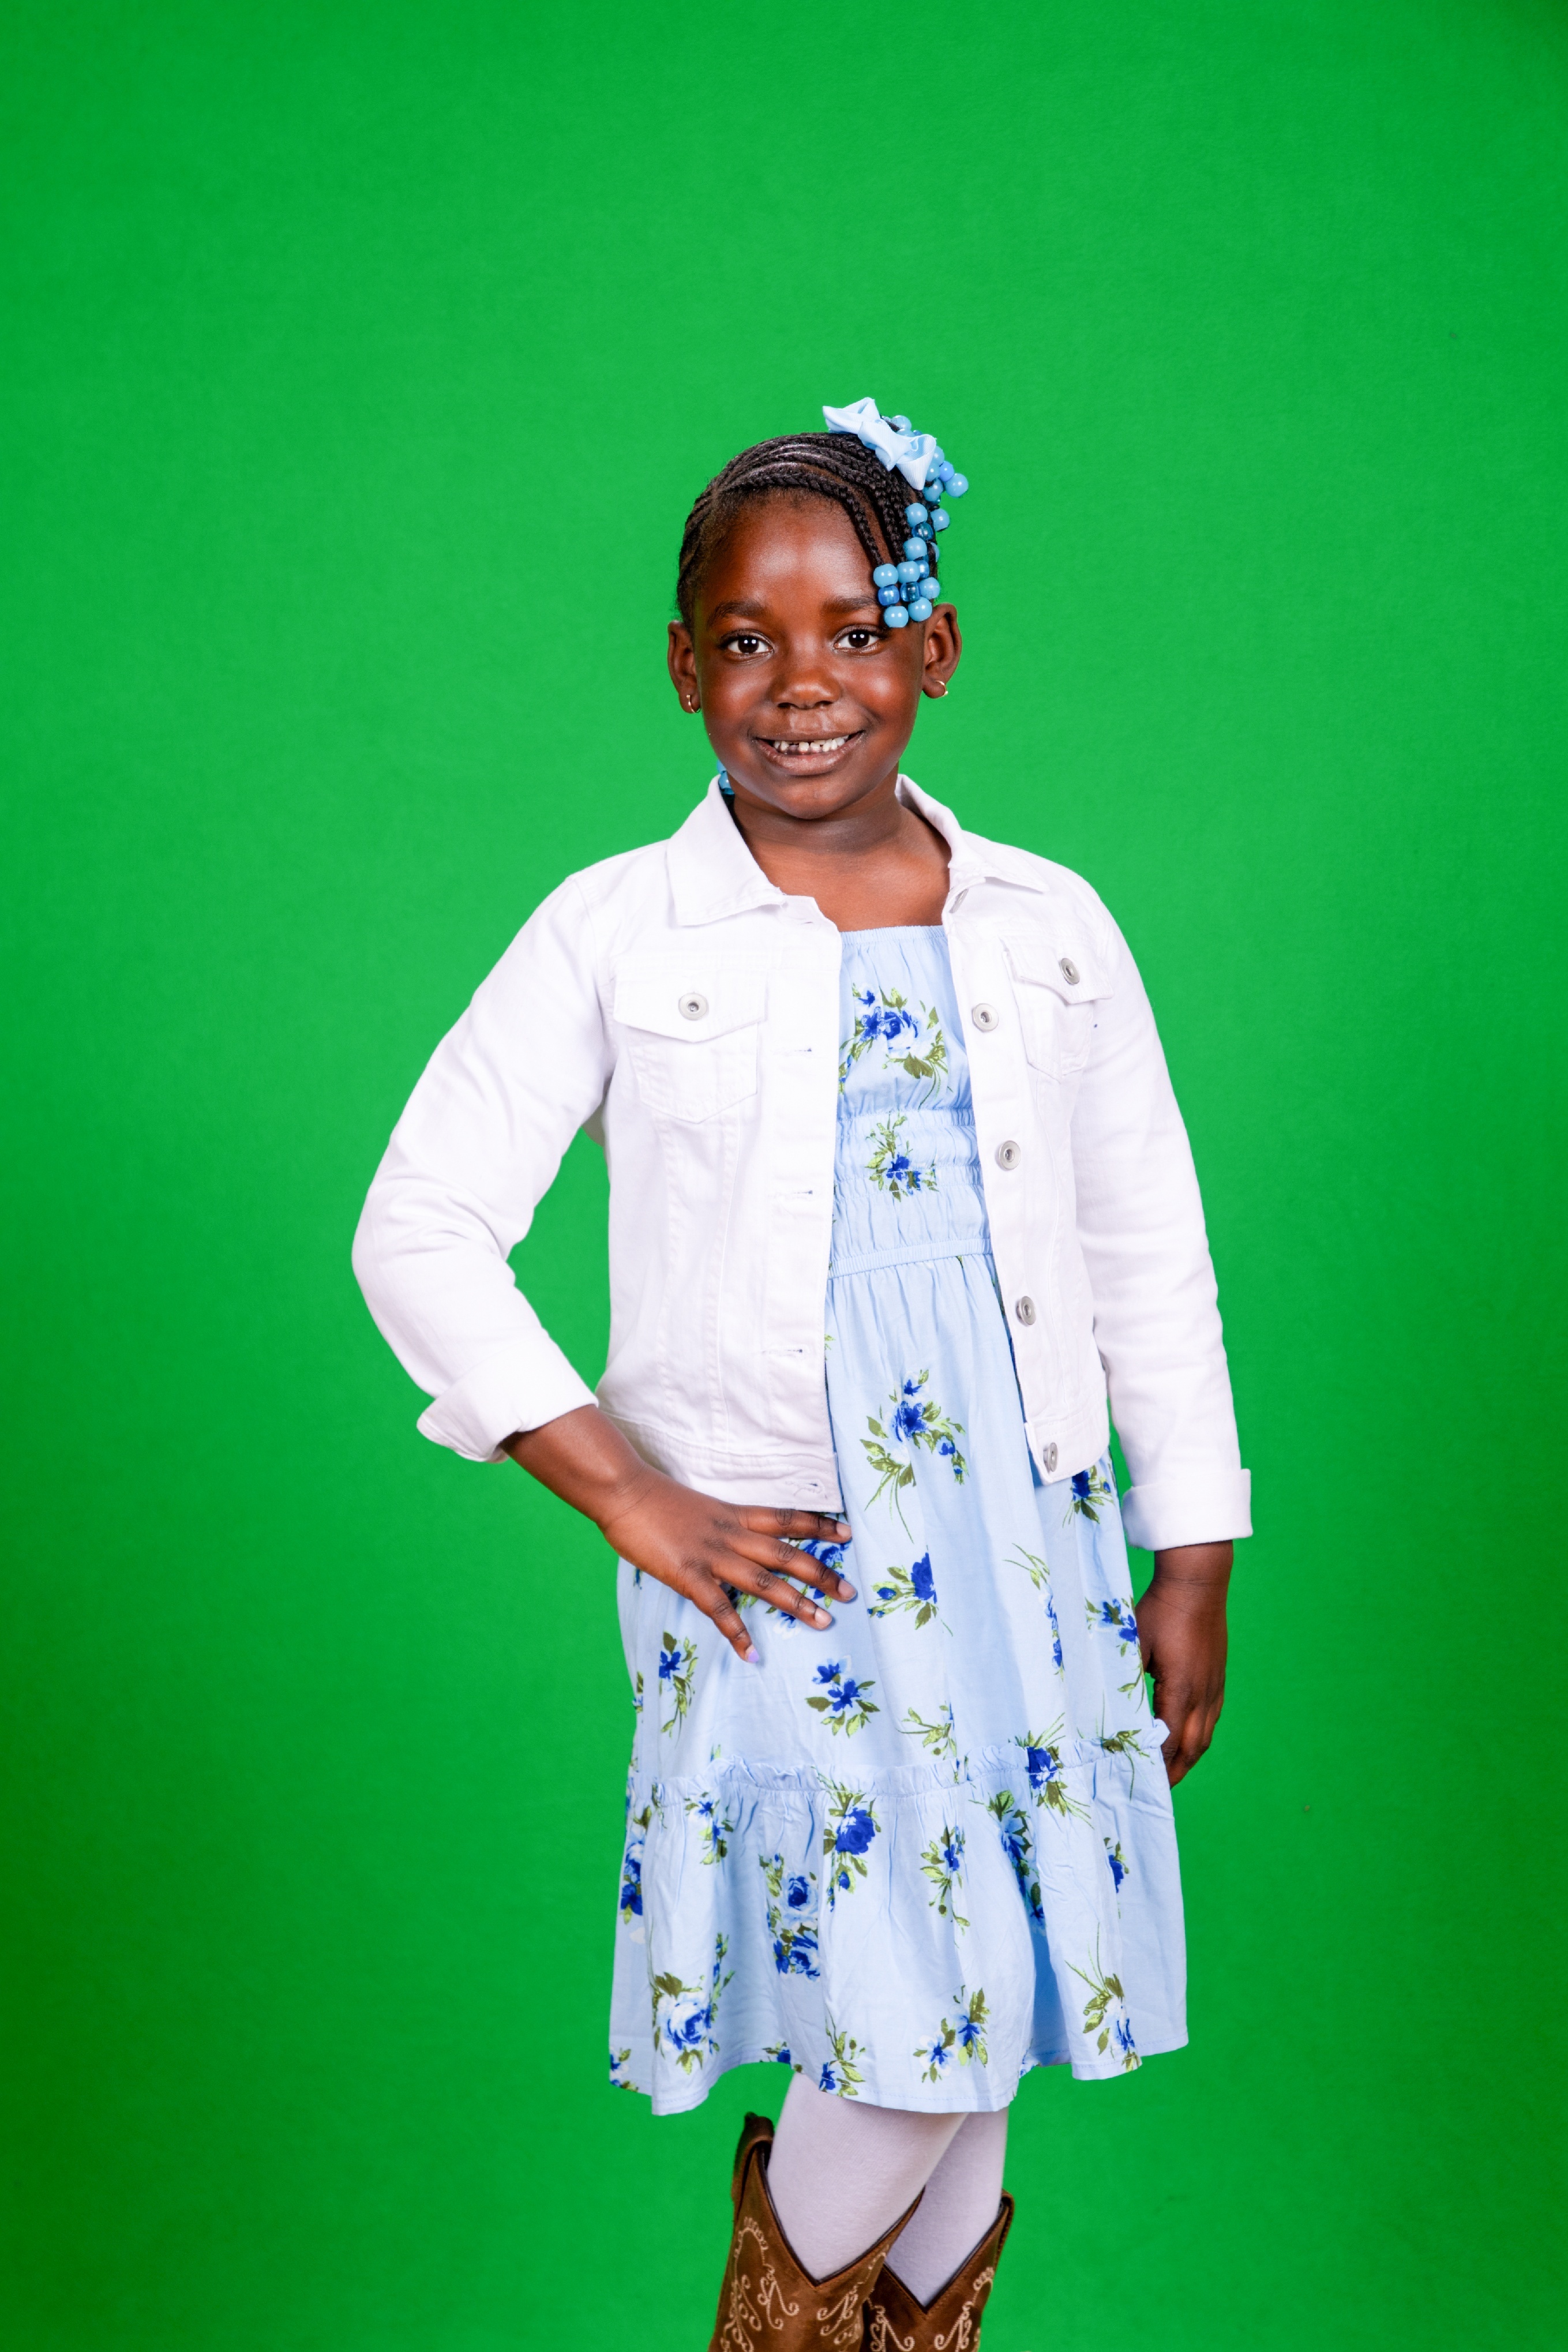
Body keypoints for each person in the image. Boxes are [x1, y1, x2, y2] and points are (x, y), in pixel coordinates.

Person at [352, 402, 1251, 2350]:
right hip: (792, 1556)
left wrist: (1192, 1549)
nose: (803, 683)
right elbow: (418, 1223)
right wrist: (631, 1493)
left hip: (1023, 1543)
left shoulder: (1050, 926)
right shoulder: (617, 928)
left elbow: (1145, 1247)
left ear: (934, 645)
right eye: (748, 641)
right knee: (908, 2026)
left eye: (853, 629)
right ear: (685, 668)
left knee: (978, 2028)